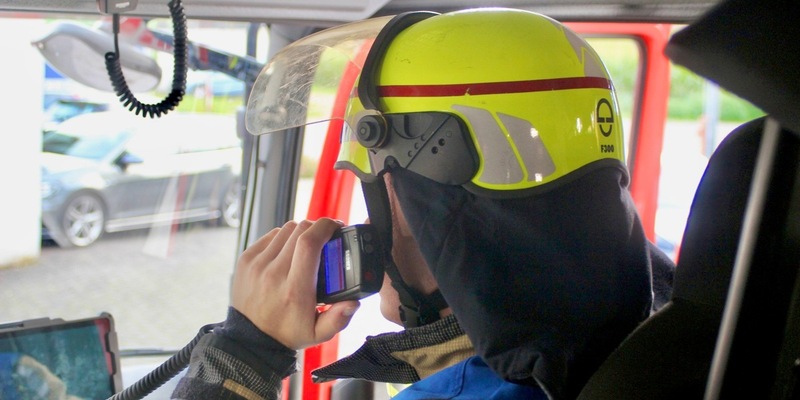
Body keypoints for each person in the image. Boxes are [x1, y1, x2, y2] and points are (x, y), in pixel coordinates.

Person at [172, 8, 674, 400]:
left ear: (420, 199)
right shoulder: (659, 314)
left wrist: (247, 350)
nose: (366, 223)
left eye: (375, 190)